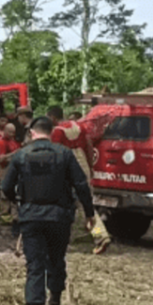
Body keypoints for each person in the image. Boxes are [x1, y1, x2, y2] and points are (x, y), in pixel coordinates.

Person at [1, 116, 95, 305]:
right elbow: (81, 185)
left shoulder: (21, 155)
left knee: (35, 266)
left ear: (32, 133)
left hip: (31, 217)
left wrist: (20, 204)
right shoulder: (65, 154)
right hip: (59, 217)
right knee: (56, 259)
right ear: (51, 132)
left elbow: (5, 187)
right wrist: (89, 214)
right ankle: (55, 302)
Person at [47, 106, 112, 254]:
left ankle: (100, 235)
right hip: (83, 167)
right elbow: (89, 147)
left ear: (52, 118)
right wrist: (90, 167)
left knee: (78, 207)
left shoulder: (57, 131)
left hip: (67, 170)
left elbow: (56, 153)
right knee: (83, 203)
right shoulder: (80, 127)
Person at [0, 123, 21, 224]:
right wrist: (14, 154)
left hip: (13, 170)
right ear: (5, 130)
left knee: (15, 192)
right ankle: (4, 217)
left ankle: (14, 217)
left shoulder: (13, 141)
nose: (12, 134)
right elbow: (0, 159)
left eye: (13, 132)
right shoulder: (1, 142)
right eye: (9, 132)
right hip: (4, 169)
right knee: (4, 194)